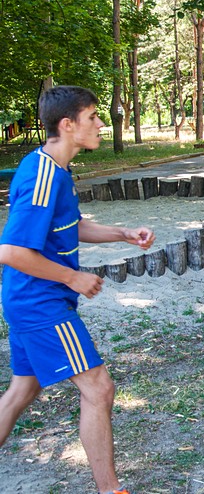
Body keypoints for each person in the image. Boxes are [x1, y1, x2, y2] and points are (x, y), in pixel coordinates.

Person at [0, 85, 155, 494]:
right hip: (40, 302)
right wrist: (72, 277)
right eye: (93, 117)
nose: (102, 123)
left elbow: (73, 226)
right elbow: (12, 251)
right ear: (68, 125)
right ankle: (111, 491)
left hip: (29, 300)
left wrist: (124, 233)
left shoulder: (58, 169)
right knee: (99, 387)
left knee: (22, 390)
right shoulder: (41, 176)